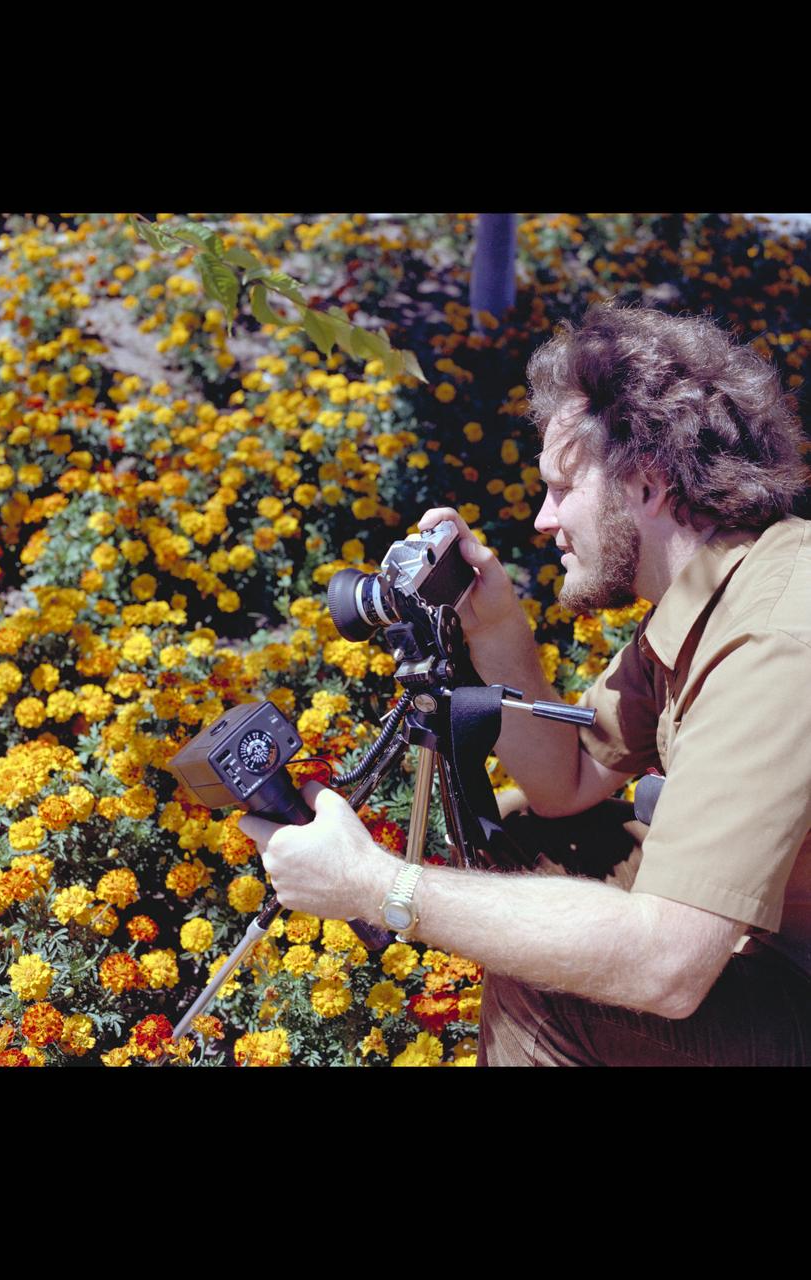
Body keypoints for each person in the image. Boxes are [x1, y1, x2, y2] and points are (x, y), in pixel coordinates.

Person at [239, 304, 811, 1066]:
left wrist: (378, 886)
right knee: (528, 842)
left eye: (559, 488)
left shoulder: (774, 642)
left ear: (645, 484)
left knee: (545, 983)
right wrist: (495, 626)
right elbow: (565, 784)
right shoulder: (719, 589)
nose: (541, 520)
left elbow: (665, 967)